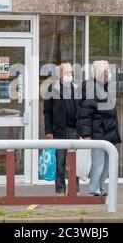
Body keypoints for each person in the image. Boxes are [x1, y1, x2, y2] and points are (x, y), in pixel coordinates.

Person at [77, 60, 121, 196]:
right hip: (98, 133)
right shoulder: (92, 87)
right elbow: (85, 114)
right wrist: (86, 135)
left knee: (106, 165)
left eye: (108, 71)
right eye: (104, 71)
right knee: (99, 164)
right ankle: (93, 189)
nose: (107, 74)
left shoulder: (103, 87)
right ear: (98, 73)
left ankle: (100, 187)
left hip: (107, 133)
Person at [43, 63, 80, 195]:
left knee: (74, 162)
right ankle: (60, 190)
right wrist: (48, 131)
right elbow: (47, 112)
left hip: (75, 130)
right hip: (59, 130)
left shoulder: (76, 88)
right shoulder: (52, 89)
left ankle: (75, 189)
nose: (70, 75)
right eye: (67, 73)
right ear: (60, 75)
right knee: (60, 162)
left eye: (71, 72)